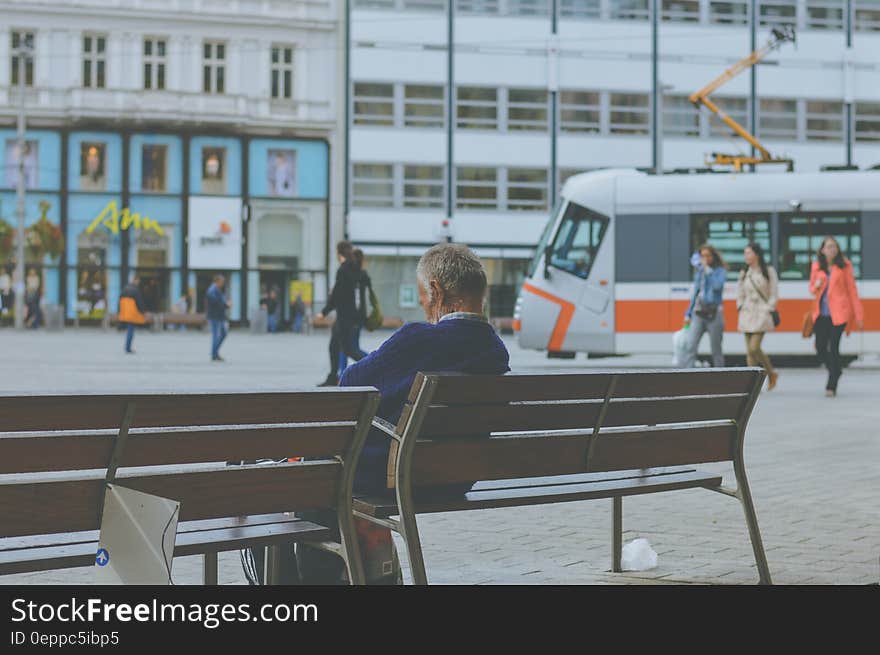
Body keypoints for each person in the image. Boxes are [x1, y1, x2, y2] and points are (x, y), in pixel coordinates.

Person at [297, 242, 511, 583]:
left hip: (402, 476)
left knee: (316, 474)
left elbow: (350, 382)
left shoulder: (418, 339)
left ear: (436, 291)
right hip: (456, 476)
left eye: (423, 293)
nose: (423, 302)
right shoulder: (496, 352)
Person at [810, 236, 864, 397]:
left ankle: (831, 385)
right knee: (820, 348)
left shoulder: (845, 265)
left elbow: (852, 291)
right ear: (822, 250)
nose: (832, 249)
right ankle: (836, 370)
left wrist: (859, 314)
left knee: (833, 348)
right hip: (821, 314)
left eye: (834, 247)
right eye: (829, 247)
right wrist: (817, 285)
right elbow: (812, 289)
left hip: (839, 313)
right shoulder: (816, 266)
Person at [317, 241, 364, 386]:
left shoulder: (343, 270)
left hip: (344, 317)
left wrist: (324, 312)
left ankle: (374, 365)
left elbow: (336, 295)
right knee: (335, 346)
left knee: (349, 349)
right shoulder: (354, 269)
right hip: (348, 316)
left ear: (338, 253)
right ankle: (333, 377)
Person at [736, 242, 779, 390]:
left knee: (754, 348)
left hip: (762, 312)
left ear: (757, 254)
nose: (746, 256)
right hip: (747, 312)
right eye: (745, 253)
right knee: (749, 351)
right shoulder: (744, 272)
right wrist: (740, 305)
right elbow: (740, 293)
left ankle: (771, 373)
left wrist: (769, 308)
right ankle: (752, 386)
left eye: (748, 253)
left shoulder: (768, 271)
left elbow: (774, 293)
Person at [682, 244, 727, 368]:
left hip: (714, 314)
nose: (704, 259)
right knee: (690, 345)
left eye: (707, 256)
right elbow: (695, 293)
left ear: (713, 257)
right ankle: (687, 376)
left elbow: (717, 287)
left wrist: (708, 271)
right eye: (702, 256)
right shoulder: (699, 273)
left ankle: (721, 377)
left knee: (716, 349)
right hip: (699, 313)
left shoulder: (720, 271)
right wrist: (688, 312)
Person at [338, 249, 370, 376]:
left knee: (351, 349)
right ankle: (342, 374)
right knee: (347, 347)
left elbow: (355, 299)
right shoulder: (361, 274)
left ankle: (372, 363)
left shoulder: (355, 275)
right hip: (356, 317)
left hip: (352, 318)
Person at [119, 276, 147, 354]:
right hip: (132, 313)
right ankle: (128, 348)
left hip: (125, 313)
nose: (138, 283)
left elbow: (120, 301)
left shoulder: (125, 289)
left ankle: (127, 347)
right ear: (135, 280)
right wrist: (143, 311)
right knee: (131, 330)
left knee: (129, 329)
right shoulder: (135, 290)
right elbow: (139, 302)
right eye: (138, 281)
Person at [206, 274, 230, 362]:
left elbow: (219, 302)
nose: (223, 283)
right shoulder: (212, 290)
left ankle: (215, 353)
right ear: (217, 281)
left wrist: (225, 305)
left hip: (219, 316)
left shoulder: (216, 289)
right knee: (216, 336)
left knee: (223, 334)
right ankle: (214, 354)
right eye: (222, 282)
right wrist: (226, 305)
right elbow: (215, 302)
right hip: (215, 316)